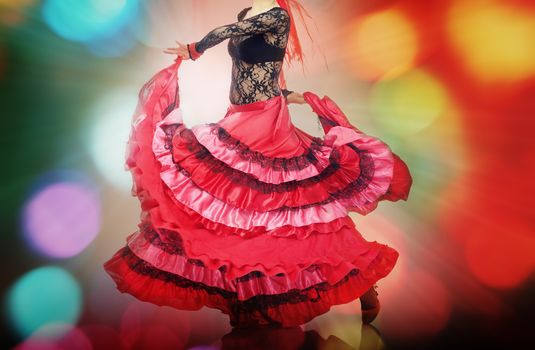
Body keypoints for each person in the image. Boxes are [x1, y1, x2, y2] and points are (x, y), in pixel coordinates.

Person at [103, 0, 413, 328]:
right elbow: (259, 68)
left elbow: (231, 33)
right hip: (238, 118)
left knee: (296, 212)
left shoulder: (276, 17)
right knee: (237, 215)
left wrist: (196, 48)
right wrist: (286, 91)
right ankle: (253, 295)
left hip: (268, 123)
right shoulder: (247, 13)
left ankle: (358, 276)